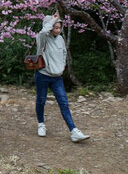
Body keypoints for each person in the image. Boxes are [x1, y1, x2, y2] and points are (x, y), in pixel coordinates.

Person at [35, 14, 89, 142]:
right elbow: (43, 31)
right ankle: (41, 124)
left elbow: (64, 52)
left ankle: (73, 131)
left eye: (59, 28)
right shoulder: (42, 38)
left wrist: (62, 66)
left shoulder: (60, 39)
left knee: (64, 103)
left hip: (57, 77)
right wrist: (52, 20)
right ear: (50, 27)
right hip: (43, 75)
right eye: (55, 28)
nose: (58, 30)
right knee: (41, 100)